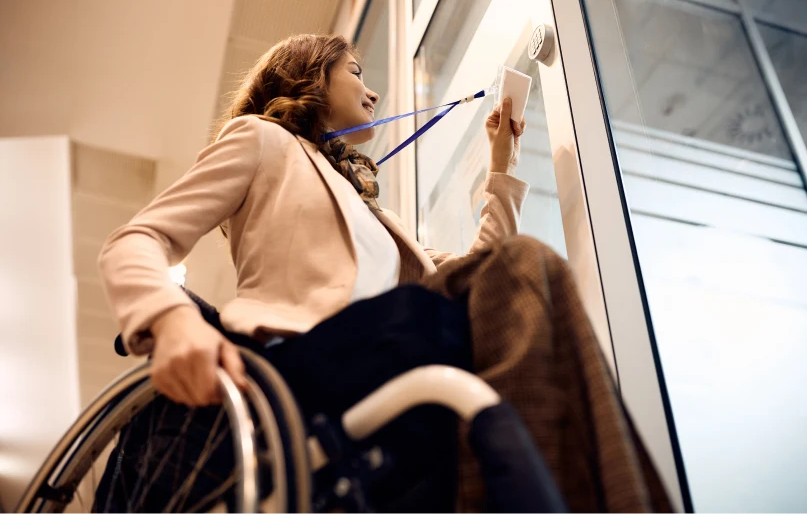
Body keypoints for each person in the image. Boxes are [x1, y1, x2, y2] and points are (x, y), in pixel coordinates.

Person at [99, 34, 672, 513]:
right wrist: (173, 322)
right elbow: (136, 240)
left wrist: (501, 165)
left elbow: (488, 271)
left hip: (379, 353)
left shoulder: (379, 218)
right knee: (518, 273)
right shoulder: (261, 139)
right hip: (292, 367)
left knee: (523, 274)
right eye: (354, 71)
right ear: (310, 77)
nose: (371, 89)